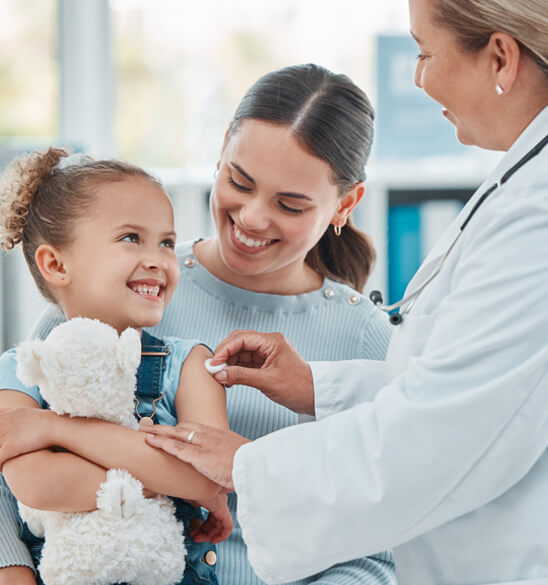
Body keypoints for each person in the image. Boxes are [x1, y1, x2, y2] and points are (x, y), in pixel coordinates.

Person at [137, 1, 548, 584]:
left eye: (425, 52)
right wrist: (316, 388)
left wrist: (246, 465)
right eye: (239, 180)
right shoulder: (139, 285)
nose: (418, 77)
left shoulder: (536, 216)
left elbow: (439, 434)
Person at [0, 65, 396, 585]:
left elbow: (376, 544)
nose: (253, 218)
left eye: (290, 204)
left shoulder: (365, 338)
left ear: (345, 204)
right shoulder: (116, 294)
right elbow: (11, 456)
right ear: (219, 156)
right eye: (239, 181)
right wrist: (13, 570)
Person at [0, 148, 231, 585]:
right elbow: (37, 485)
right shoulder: (19, 372)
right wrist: (163, 474)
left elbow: (207, 479)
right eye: (131, 238)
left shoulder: (192, 364)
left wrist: (55, 430)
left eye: (165, 241)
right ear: (56, 264)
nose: (159, 259)